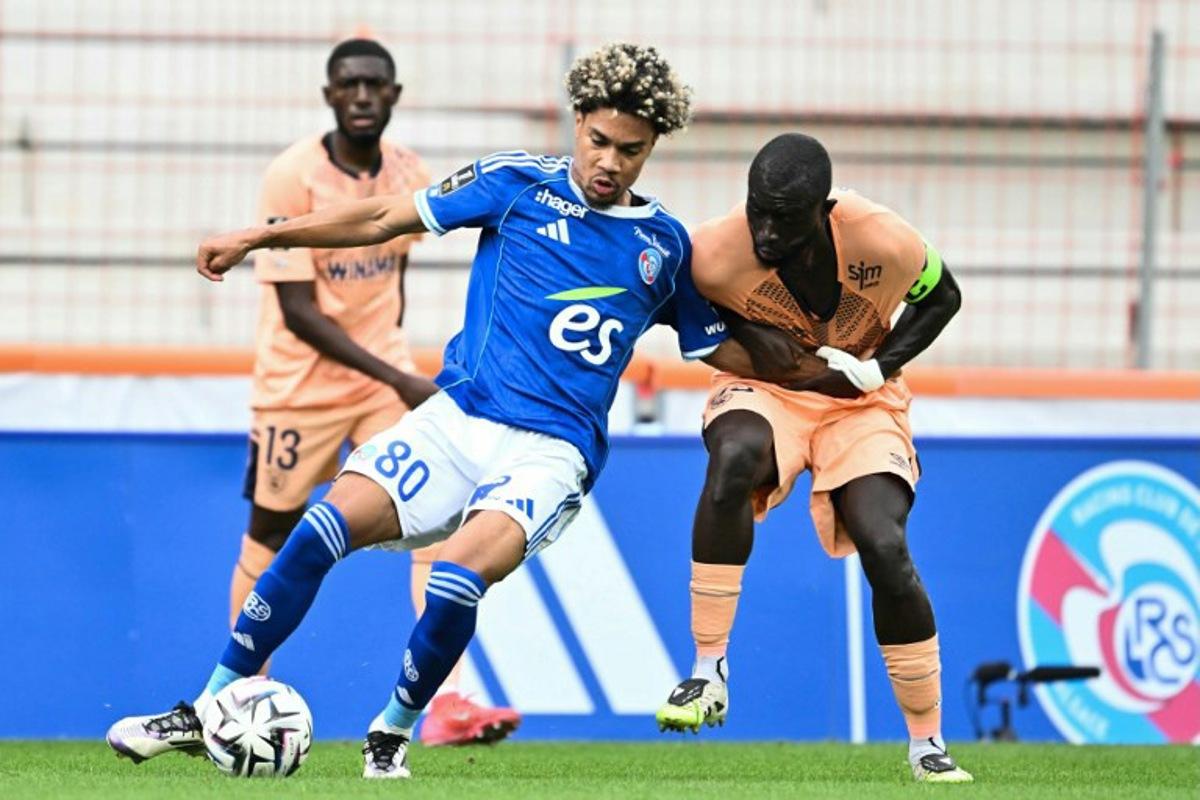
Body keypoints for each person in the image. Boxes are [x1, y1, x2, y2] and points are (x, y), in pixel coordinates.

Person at [106, 42, 777, 780]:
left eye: (631, 150)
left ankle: (390, 734)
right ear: (576, 120)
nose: (610, 162)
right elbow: (380, 220)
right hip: (458, 419)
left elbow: (720, 345)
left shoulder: (664, 245)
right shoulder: (513, 183)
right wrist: (259, 236)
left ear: (651, 151)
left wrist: (840, 367)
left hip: (551, 453)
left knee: (457, 577)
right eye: (598, 141)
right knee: (318, 529)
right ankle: (206, 708)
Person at [654, 133, 972, 784]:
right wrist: (742, 336)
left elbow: (943, 298)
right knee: (734, 456)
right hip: (767, 391)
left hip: (861, 403)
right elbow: (674, 306)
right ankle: (707, 670)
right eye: (756, 210)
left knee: (885, 546)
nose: (765, 231)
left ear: (823, 209)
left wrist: (877, 367)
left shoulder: (883, 239)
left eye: (784, 218)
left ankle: (926, 743)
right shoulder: (715, 249)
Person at [232, 37, 518, 746]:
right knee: (273, 531)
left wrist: (396, 364)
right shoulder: (290, 178)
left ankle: (447, 701)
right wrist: (399, 375)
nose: (361, 96)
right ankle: (242, 690)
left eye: (374, 85)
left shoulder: (407, 170)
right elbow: (297, 312)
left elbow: (394, 273)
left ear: (394, 95)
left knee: (441, 518)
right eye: (348, 85)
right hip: (298, 389)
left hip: (383, 378)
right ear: (329, 95)